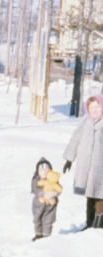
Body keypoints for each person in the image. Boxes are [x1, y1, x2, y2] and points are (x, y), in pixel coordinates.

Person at [62, 94, 103, 230]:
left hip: (100, 166)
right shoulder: (85, 121)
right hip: (86, 165)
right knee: (89, 193)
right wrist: (69, 159)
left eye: (97, 107)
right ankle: (89, 222)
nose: (94, 110)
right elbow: (75, 139)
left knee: (100, 194)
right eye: (91, 108)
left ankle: (100, 222)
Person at [31, 158, 61, 241]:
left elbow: (58, 189)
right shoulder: (36, 180)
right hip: (38, 204)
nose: (44, 172)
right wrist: (43, 194)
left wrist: (54, 193)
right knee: (37, 219)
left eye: (46, 170)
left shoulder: (53, 180)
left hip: (50, 205)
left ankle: (46, 235)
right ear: (37, 172)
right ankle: (38, 234)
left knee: (48, 220)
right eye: (41, 170)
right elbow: (35, 190)